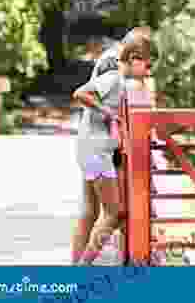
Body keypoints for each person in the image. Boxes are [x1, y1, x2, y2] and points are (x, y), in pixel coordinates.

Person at [70, 37, 153, 265]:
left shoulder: (120, 82)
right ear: (134, 59)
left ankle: (73, 270)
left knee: (90, 213)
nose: (148, 72)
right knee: (113, 213)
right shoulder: (114, 78)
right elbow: (79, 93)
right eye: (147, 65)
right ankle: (83, 267)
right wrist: (108, 112)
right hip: (96, 151)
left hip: (88, 147)